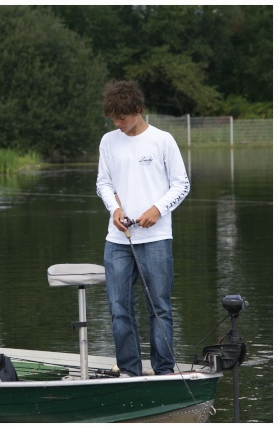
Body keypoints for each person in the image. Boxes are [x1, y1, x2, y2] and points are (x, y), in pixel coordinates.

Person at [95, 80, 190, 377]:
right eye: (113, 118)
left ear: (137, 110)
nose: (117, 123)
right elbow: (104, 184)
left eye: (121, 117)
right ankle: (129, 372)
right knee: (119, 310)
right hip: (118, 241)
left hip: (156, 239)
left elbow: (182, 184)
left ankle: (163, 372)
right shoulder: (108, 141)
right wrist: (115, 209)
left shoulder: (163, 141)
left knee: (160, 309)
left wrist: (157, 210)